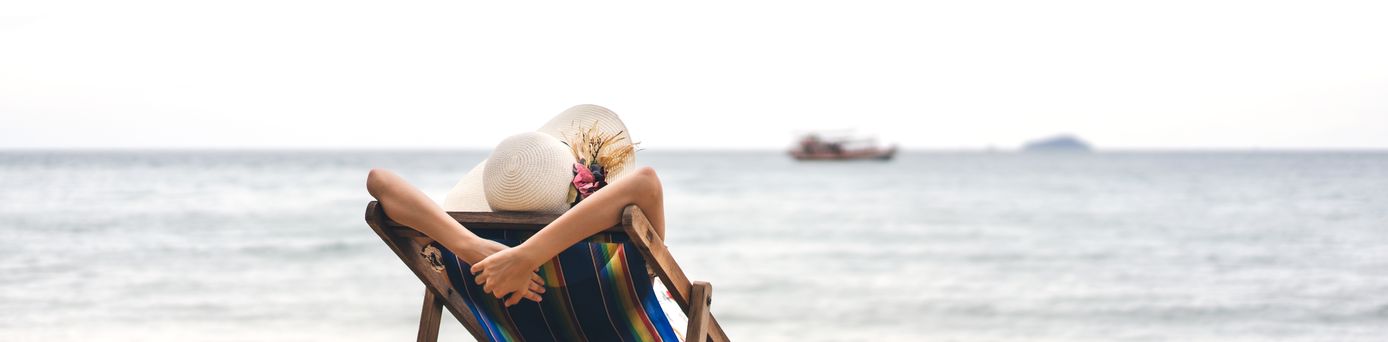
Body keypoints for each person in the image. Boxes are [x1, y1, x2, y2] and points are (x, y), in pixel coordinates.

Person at [365, 105, 664, 308]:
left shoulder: (476, 265)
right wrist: (525, 257)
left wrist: (475, 248)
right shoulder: (615, 254)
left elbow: (379, 182)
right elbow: (645, 183)